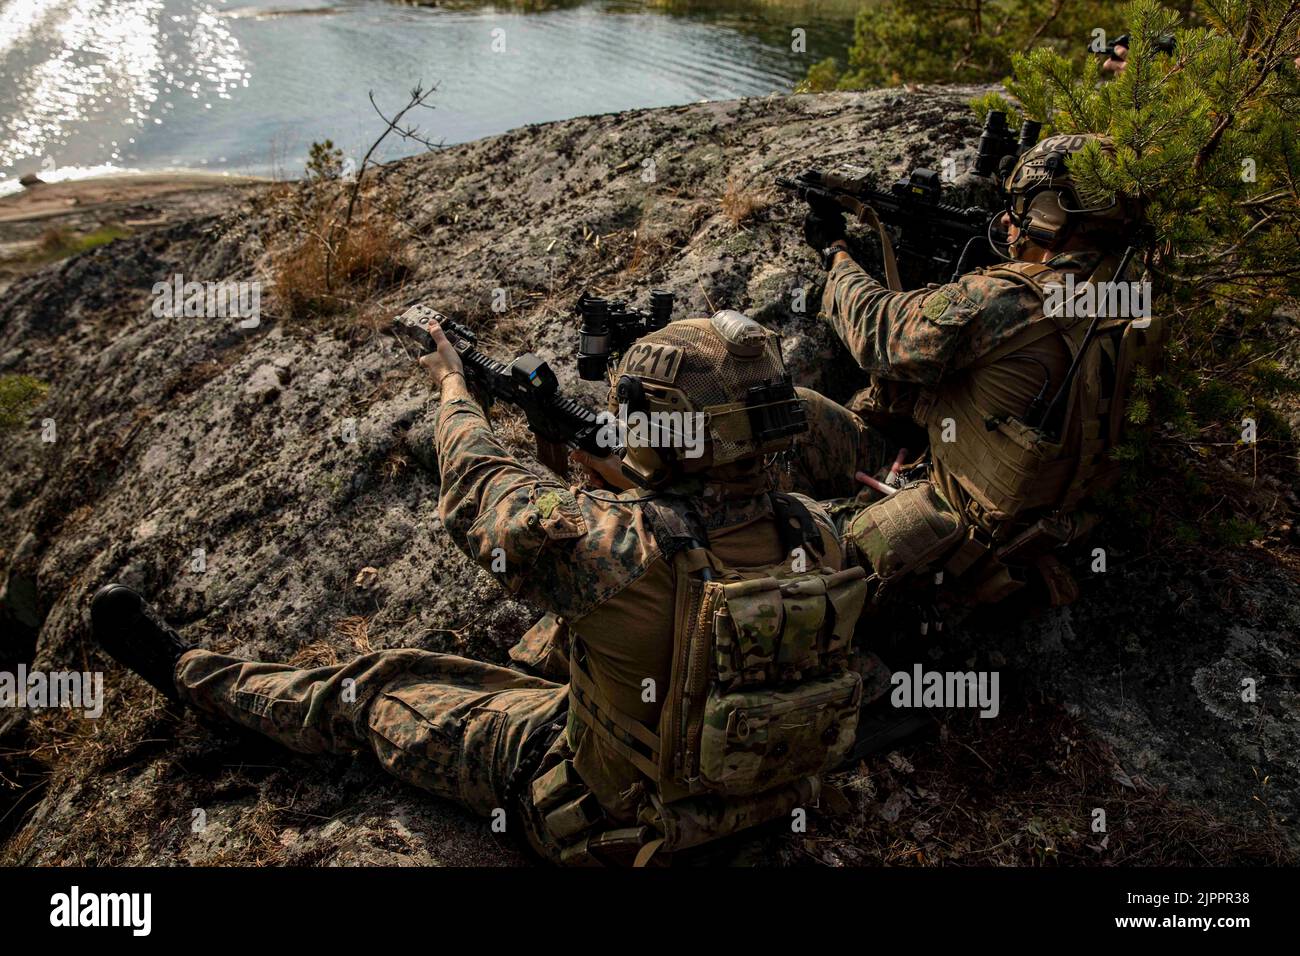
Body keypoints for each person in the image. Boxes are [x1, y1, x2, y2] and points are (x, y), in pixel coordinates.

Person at [92, 310, 873, 866]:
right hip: (749, 796)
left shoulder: (611, 549)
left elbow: (480, 486)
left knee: (381, 685)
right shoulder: (817, 530)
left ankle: (193, 677)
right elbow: (697, 522)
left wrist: (452, 390)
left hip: (614, 824)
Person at [793, 132, 1165, 608]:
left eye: (1024, 206)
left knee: (790, 447)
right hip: (1041, 527)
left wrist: (836, 253)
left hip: (947, 540)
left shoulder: (1007, 299)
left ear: (1052, 214)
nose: (1012, 220)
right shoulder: (1135, 293)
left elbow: (878, 332)